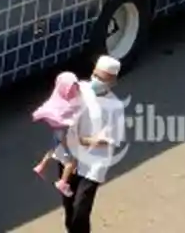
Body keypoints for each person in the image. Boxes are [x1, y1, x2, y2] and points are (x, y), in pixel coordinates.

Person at [54, 55, 124, 233]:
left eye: (102, 78)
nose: (96, 81)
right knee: (69, 206)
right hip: (68, 157)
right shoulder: (81, 89)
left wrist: (85, 141)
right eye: (95, 75)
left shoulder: (115, 106)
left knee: (81, 209)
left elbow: (112, 139)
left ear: (113, 81)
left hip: (93, 164)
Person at [32, 71, 83, 195]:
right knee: (71, 160)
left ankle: (41, 166)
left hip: (57, 132)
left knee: (53, 150)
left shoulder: (56, 98)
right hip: (64, 133)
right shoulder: (68, 103)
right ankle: (63, 183)